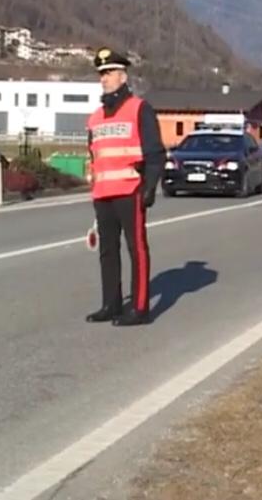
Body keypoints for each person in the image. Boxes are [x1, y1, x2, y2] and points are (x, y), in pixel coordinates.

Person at [85, 47, 166, 326]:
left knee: (136, 248)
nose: (103, 79)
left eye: (108, 73)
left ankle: (140, 308)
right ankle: (111, 303)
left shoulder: (139, 109)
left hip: (130, 191)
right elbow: (93, 154)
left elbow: (155, 153)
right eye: (101, 74)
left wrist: (150, 186)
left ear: (123, 75)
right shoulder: (95, 117)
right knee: (107, 251)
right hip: (103, 193)